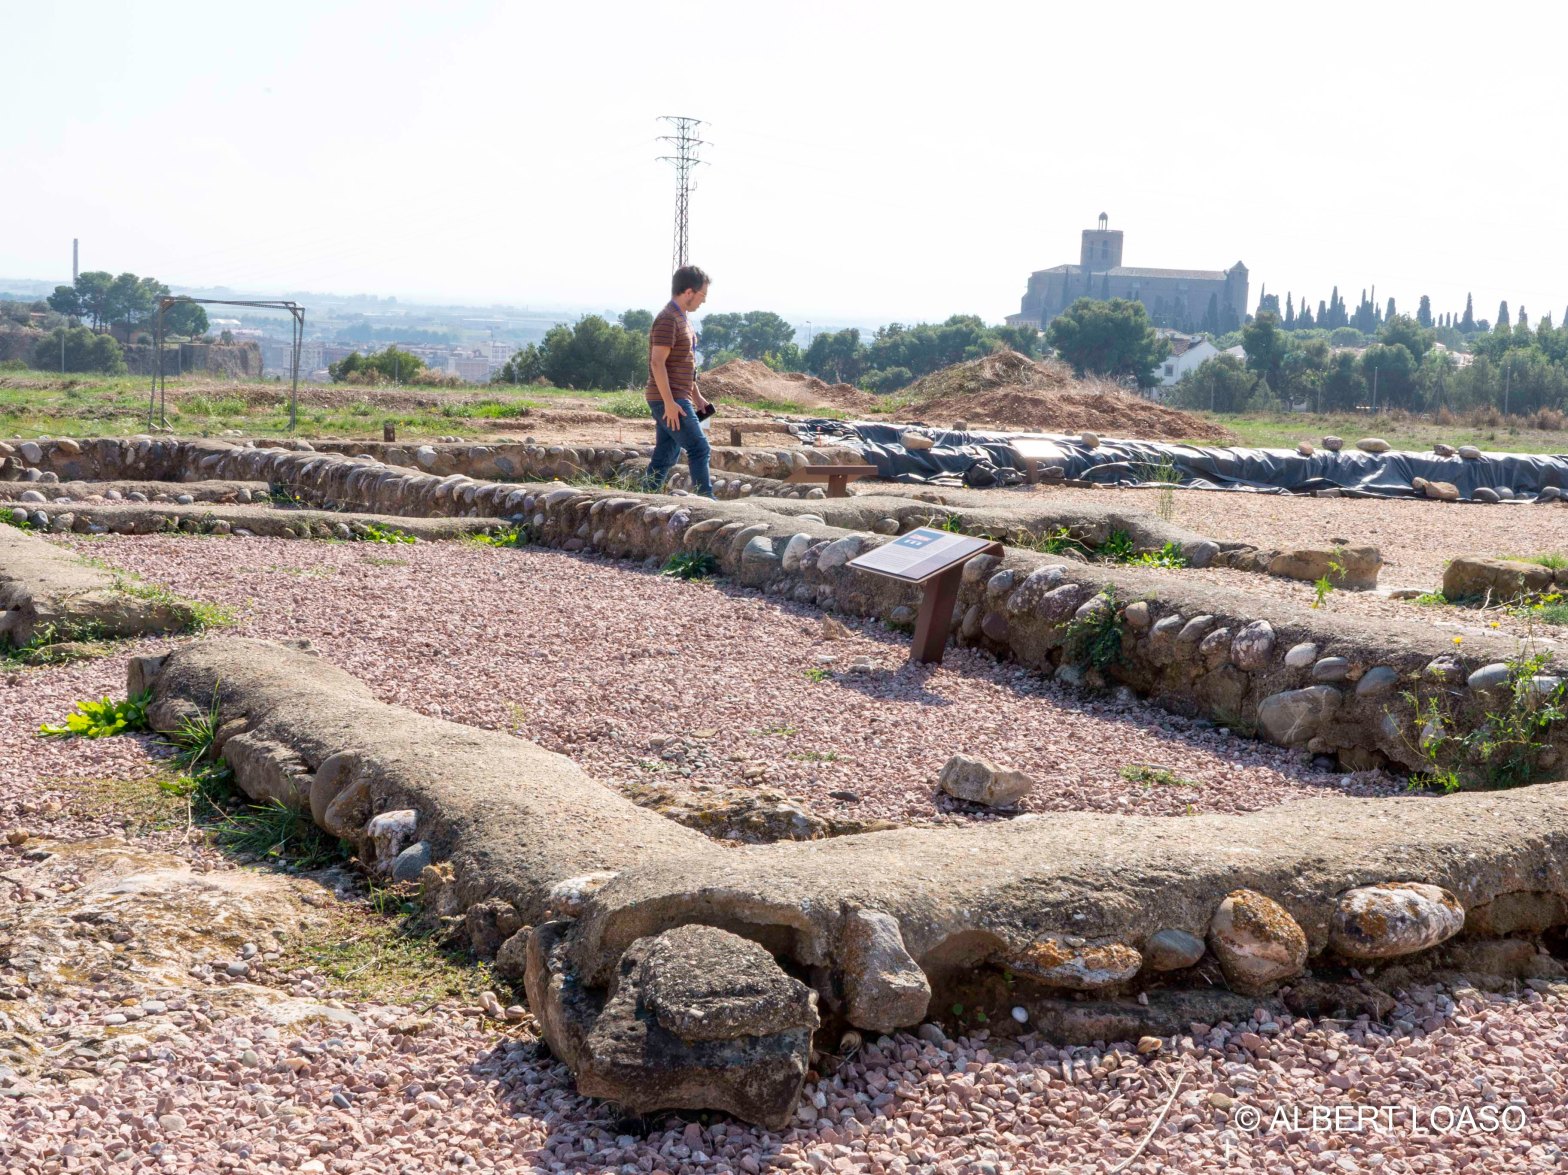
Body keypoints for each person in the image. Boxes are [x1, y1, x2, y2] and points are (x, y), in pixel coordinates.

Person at [642, 265, 714, 496]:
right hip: (669, 399)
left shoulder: (683, 319)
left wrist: (697, 397)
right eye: (702, 295)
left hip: (676, 397)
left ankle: (645, 496)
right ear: (689, 292)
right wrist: (669, 403)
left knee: (666, 455)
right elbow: (657, 363)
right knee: (699, 448)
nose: (704, 300)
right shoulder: (668, 319)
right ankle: (707, 500)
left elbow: (684, 364)